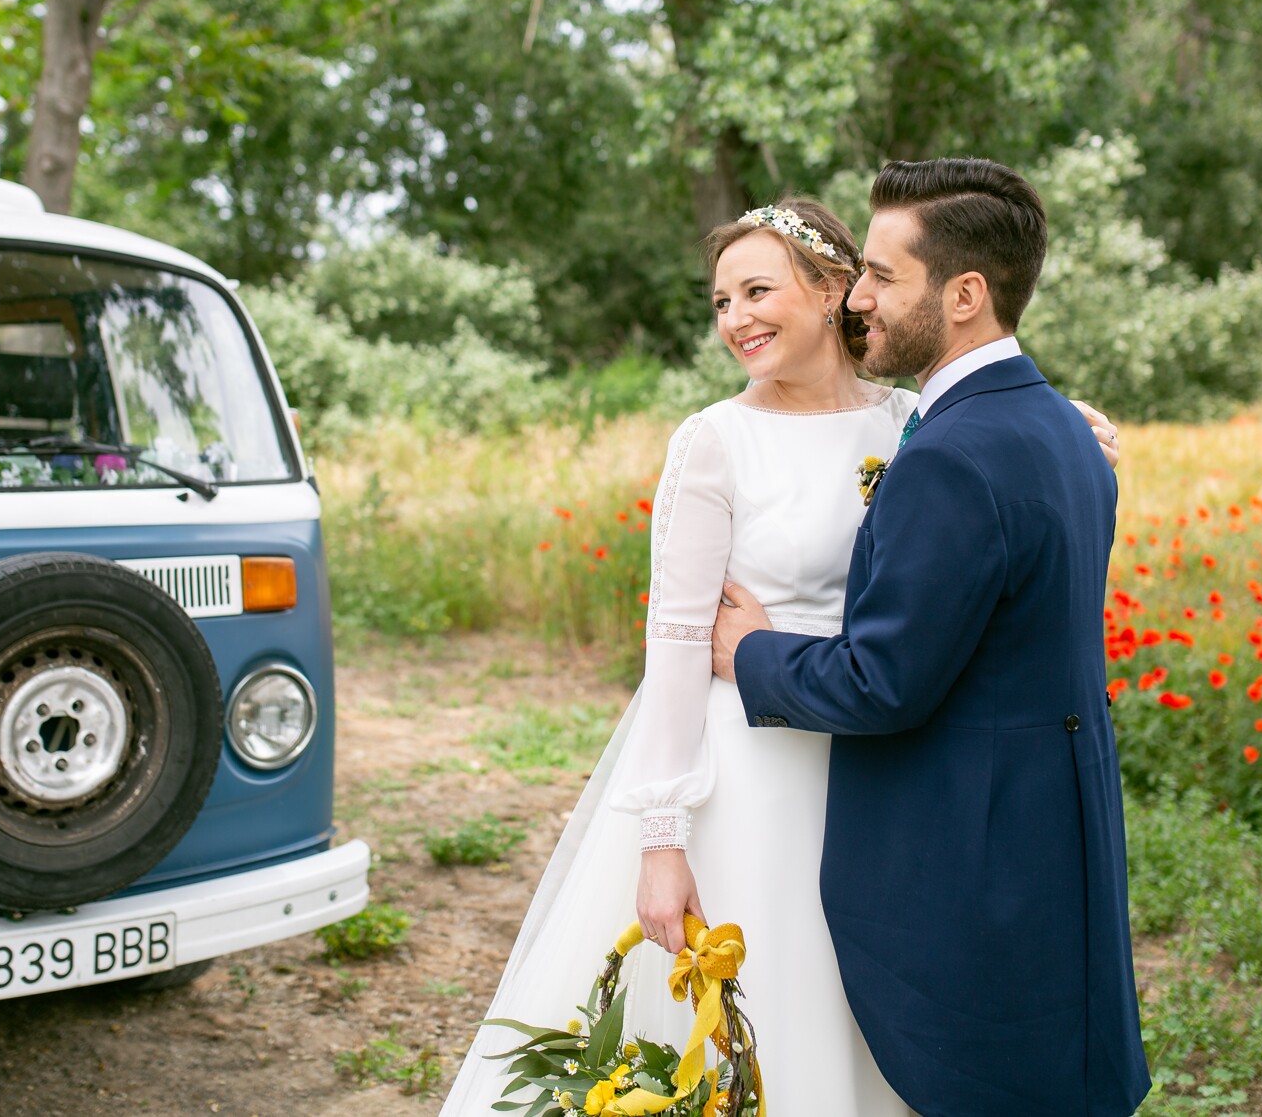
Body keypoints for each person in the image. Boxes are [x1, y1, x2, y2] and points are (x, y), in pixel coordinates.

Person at [438, 196, 1124, 1115]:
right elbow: (678, 647)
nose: (736, 319)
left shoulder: (911, 419)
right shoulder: (715, 442)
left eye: (757, 290)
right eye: (721, 302)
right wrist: (662, 841)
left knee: (875, 1009)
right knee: (764, 1011)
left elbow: (991, 450)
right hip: (751, 775)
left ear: (835, 289)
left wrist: (1072, 421)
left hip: (883, 775)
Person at [711, 159, 1151, 1116]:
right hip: (1058, 831)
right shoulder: (1063, 428)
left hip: (972, 847)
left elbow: (883, 681)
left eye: (880, 275)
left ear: (964, 294)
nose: (857, 297)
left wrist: (751, 650)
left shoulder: (951, 455)